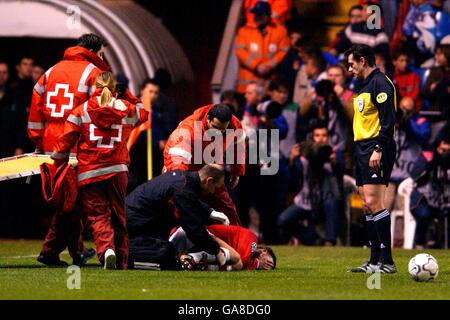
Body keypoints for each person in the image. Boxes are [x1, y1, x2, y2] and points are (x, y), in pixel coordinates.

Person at [28, 33, 141, 266]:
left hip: (53, 146)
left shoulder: (49, 72)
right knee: (75, 204)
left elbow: (35, 112)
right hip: (80, 148)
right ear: (95, 51)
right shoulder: (95, 74)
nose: (103, 57)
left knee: (69, 203)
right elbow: (100, 114)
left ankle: (62, 251)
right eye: (102, 53)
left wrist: (39, 142)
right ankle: (75, 252)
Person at [51, 72, 148, 269]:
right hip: (118, 170)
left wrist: (57, 161)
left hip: (90, 171)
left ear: (95, 86)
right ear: (114, 88)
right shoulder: (126, 108)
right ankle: (122, 260)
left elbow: (64, 142)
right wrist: (127, 93)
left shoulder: (81, 110)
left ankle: (106, 250)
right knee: (119, 216)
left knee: (98, 216)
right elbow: (143, 112)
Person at [346, 44, 397, 273]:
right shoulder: (362, 85)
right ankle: (374, 261)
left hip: (377, 146)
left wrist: (378, 148)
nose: (350, 69)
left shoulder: (381, 83)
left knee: (375, 203)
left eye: (351, 63)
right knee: (366, 205)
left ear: (363, 61)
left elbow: (388, 121)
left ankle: (388, 261)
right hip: (361, 148)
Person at [125, 164, 231, 270]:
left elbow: (190, 199)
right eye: (215, 187)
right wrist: (215, 250)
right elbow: (193, 228)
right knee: (165, 253)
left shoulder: (182, 179)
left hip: (136, 220)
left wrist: (209, 211)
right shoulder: (183, 189)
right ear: (209, 181)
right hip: (134, 227)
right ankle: (125, 258)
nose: (212, 192)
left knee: (165, 250)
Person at [163, 104, 245, 226]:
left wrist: (237, 171)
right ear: (208, 119)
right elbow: (176, 165)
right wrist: (183, 186)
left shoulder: (234, 124)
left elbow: (238, 146)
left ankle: (235, 241)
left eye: (222, 130)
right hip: (183, 173)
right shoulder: (187, 129)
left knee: (228, 211)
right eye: (215, 128)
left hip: (210, 170)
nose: (218, 133)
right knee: (179, 209)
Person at [278, 124, 343, 246]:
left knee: (332, 202)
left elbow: (341, 174)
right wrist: (292, 159)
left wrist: (335, 162)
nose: (321, 138)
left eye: (324, 135)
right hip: (306, 200)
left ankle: (330, 241)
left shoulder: (335, 151)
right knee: (283, 220)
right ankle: (313, 238)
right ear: (312, 138)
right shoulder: (306, 153)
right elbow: (293, 177)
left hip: (326, 198)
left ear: (328, 137)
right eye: (317, 135)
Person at [235, 1, 290, 94]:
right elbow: (240, 52)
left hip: (269, 86)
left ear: (266, 16)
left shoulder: (280, 31)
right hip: (247, 87)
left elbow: (284, 51)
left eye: (258, 15)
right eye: (255, 14)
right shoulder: (244, 31)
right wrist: (256, 66)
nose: (255, 17)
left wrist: (269, 65)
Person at [169, 224, 276, 271]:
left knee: (228, 263)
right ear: (263, 251)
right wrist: (257, 263)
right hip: (194, 234)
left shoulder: (243, 247)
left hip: (187, 240)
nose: (266, 267)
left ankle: (188, 259)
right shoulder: (253, 240)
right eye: (268, 263)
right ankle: (193, 259)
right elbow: (242, 260)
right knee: (236, 262)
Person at [410, 134, 450, 249]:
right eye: (443, 150)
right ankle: (419, 244)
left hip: (444, 201)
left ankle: (442, 244)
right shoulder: (427, 156)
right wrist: (429, 164)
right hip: (422, 199)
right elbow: (414, 175)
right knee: (424, 214)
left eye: (448, 151)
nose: (445, 154)